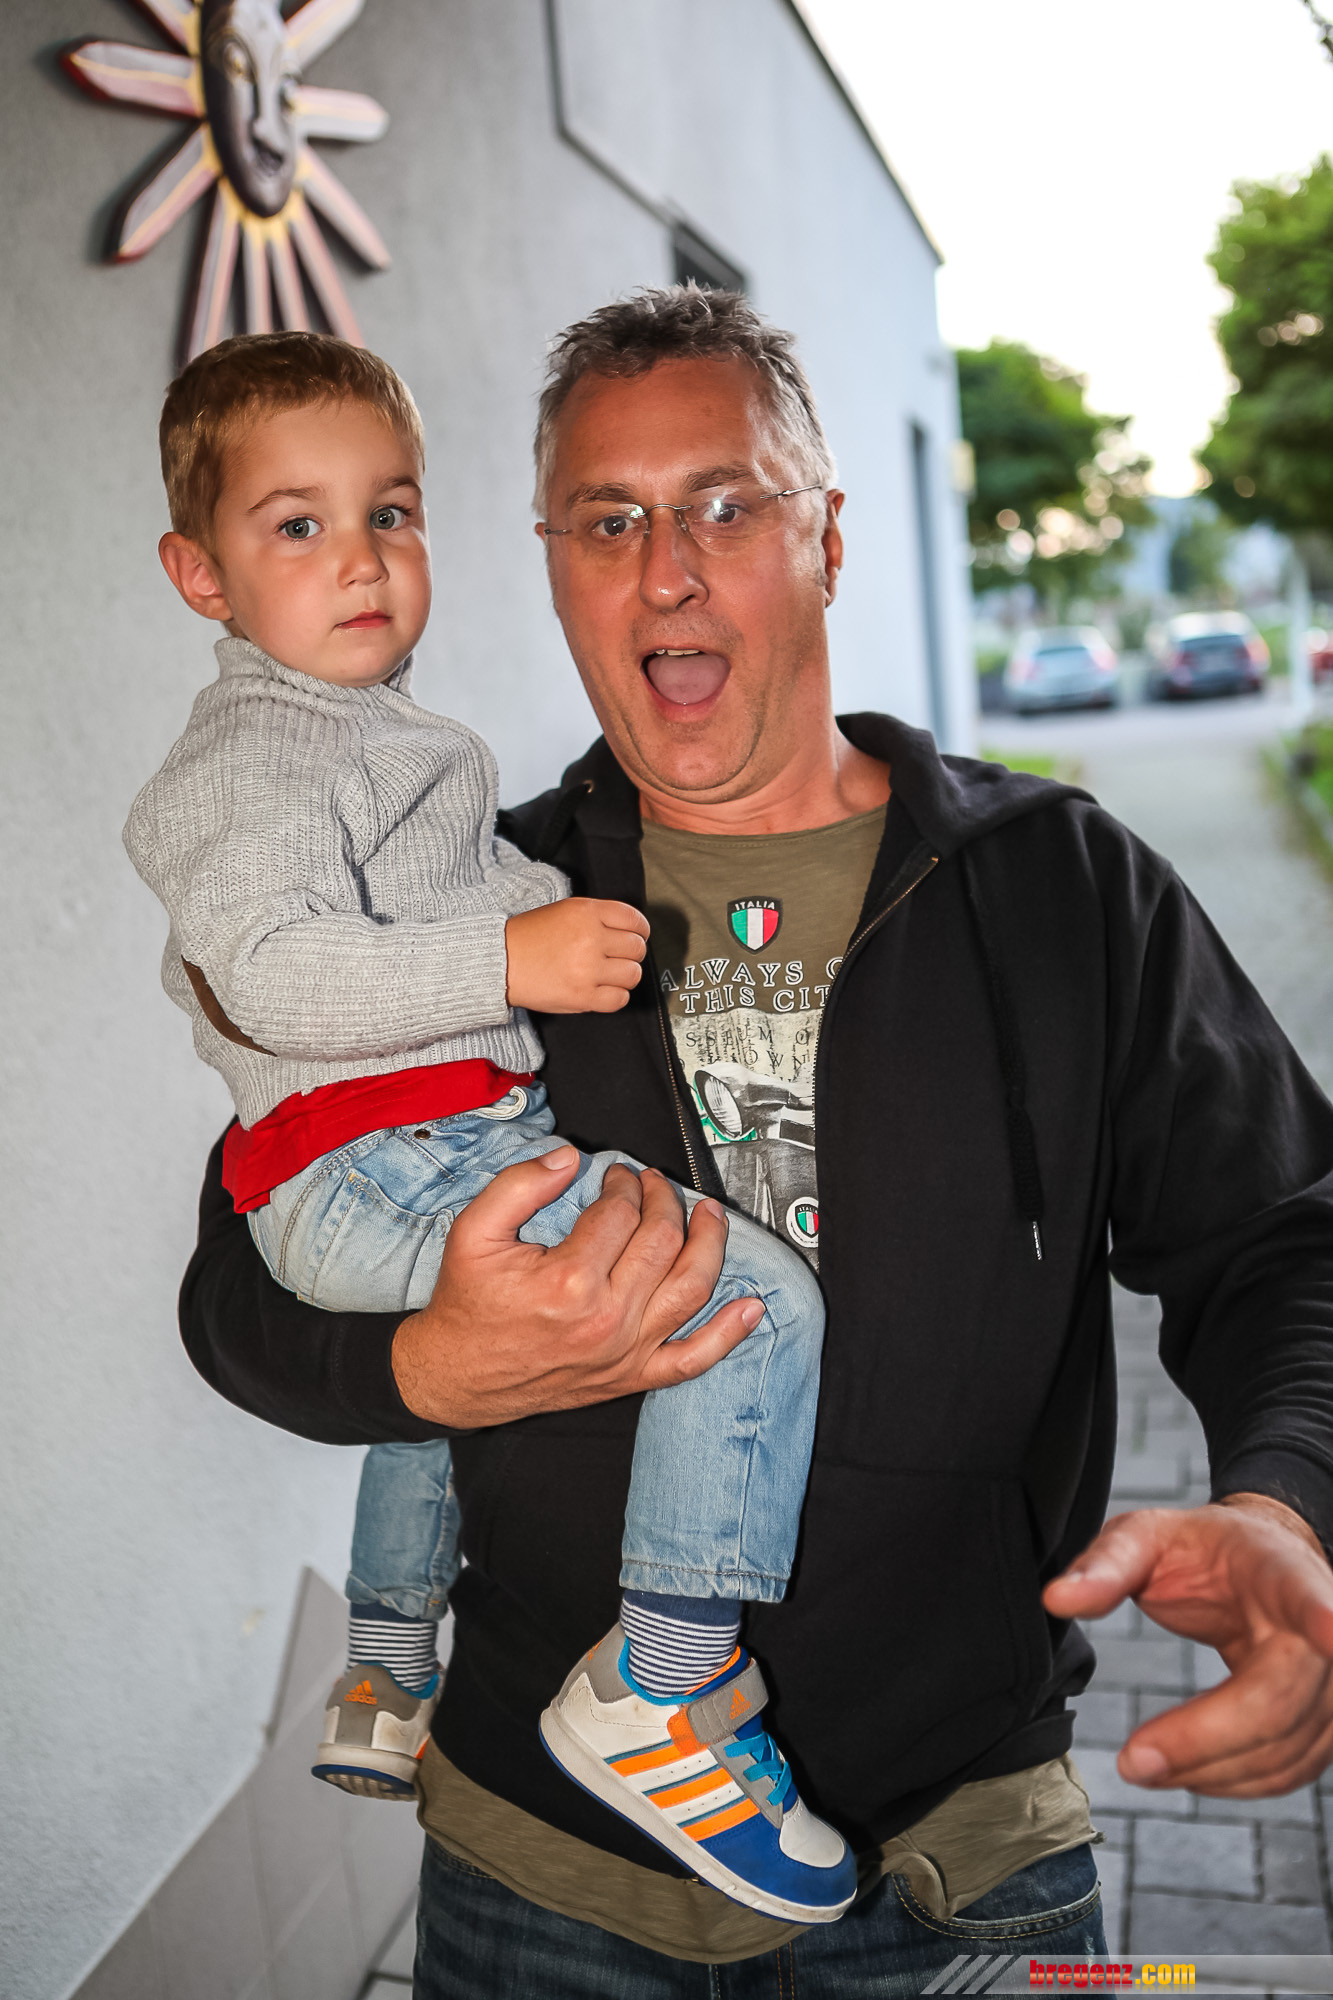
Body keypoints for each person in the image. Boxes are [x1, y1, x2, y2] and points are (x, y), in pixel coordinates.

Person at [179, 288, 1333, 1997]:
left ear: (828, 539)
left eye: (723, 505)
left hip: (953, 1856)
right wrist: (425, 1364)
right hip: (531, 1873)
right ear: (553, 566)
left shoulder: (1056, 886)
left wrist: (1286, 1504)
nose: (666, 571)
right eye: (606, 521)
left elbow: (1280, 1236)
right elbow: (235, 1289)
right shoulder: (458, 909)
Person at [123, 329, 856, 1925]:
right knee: (746, 1306)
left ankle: (386, 1667)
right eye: (298, 524)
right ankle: (664, 1685)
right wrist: (509, 960)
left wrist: (540, 914)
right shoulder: (257, 753)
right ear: (200, 576)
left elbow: (466, 892)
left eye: (390, 513)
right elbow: (272, 974)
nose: (363, 559)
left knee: (456, 1382)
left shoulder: (380, 741)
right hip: (383, 1147)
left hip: (388, 1153)